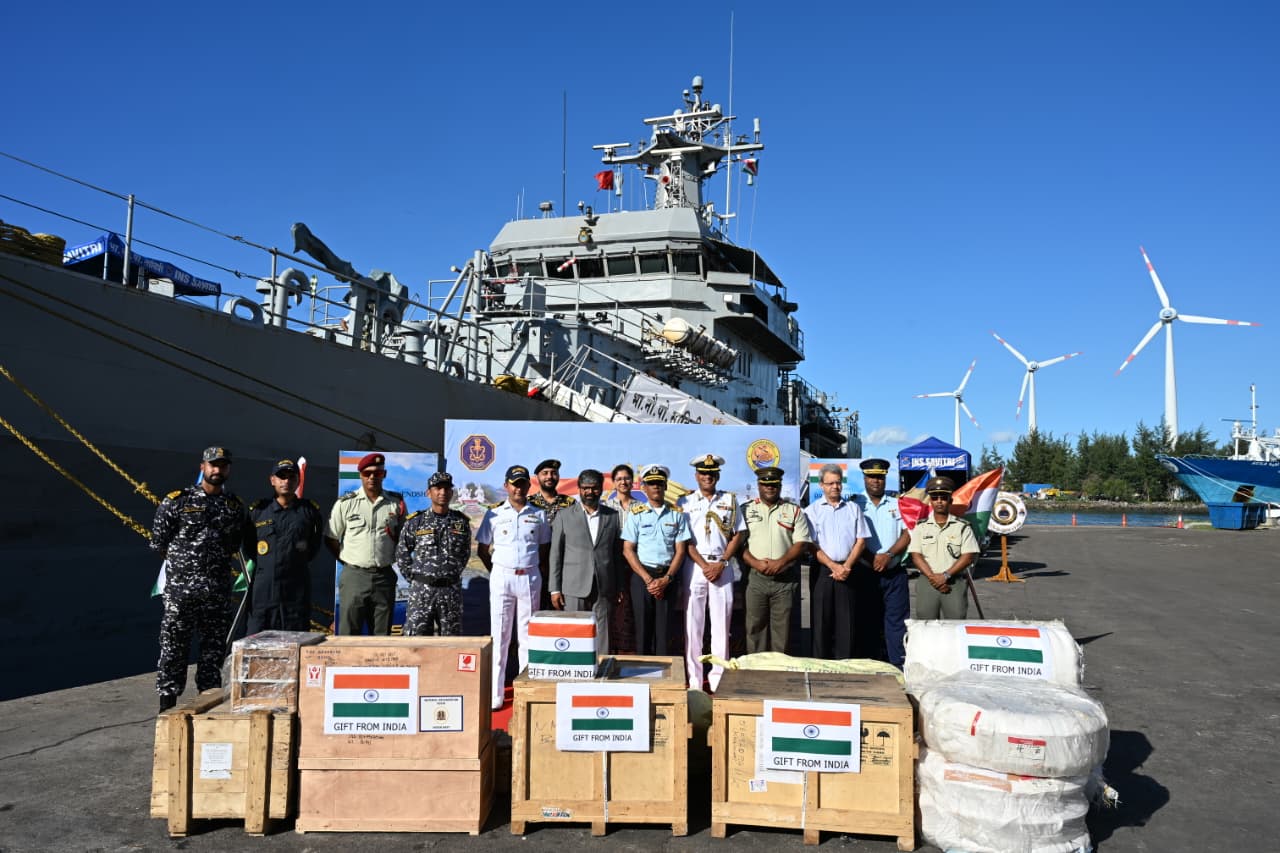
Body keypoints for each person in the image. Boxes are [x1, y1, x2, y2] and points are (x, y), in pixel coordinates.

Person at [151, 446, 249, 712]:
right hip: (181, 594)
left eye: (223, 466)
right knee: (173, 651)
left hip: (216, 592)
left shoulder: (233, 507)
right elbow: (160, 542)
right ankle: (167, 708)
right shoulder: (177, 501)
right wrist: (186, 569)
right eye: (212, 465)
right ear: (202, 467)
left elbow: (233, 543)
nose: (217, 470)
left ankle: (209, 706)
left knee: (213, 653)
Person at [476, 464, 551, 710]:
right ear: (506, 486)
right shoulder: (494, 514)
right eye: (514, 484)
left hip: (529, 577)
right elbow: (482, 549)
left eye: (522, 484)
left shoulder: (538, 514)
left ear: (529, 486)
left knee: (528, 637)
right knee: (500, 636)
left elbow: (543, 548)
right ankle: (495, 694)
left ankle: (524, 690)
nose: (518, 488)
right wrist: (499, 570)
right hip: (502, 577)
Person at [677, 454, 745, 691]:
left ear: (717, 475)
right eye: (703, 473)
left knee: (721, 625)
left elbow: (738, 534)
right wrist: (705, 565)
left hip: (722, 566)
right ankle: (694, 680)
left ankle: (718, 679)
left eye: (711, 473)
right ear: (696, 476)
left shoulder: (730, 500)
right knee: (693, 625)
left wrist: (722, 562)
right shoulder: (684, 502)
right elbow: (683, 538)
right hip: (695, 566)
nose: (707, 477)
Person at [325, 452, 406, 635]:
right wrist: (347, 560)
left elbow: (402, 538)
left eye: (377, 473)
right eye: (367, 473)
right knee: (349, 635)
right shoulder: (345, 503)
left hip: (384, 576)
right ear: (360, 475)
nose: (372, 478)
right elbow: (330, 538)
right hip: (354, 576)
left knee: (382, 637)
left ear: (383, 475)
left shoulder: (395, 503)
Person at [243, 458, 324, 634]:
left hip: (295, 589)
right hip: (265, 588)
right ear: (272, 480)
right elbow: (249, 545)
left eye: (291, 477)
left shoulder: (309, 512)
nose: (286, 481)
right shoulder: (258, 511)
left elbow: (313, 546)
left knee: (295, 639)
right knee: (257, 638)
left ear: (298, 480)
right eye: (281, 477)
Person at [549, 468, 624, 657]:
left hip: (605, 585)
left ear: (601, 489)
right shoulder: (564, 516)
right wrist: (555, 589)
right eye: (585, 488)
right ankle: (574, 674)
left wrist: (619, 586)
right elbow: (556, 554)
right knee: (573, 633)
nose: (590, 492)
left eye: (594, 488)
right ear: (579, 489)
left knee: (603, 634)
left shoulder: (612, 516)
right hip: (573, 586)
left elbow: (617, 555)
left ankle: (603, 673)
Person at [620, 465, 690, 656]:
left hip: (667, 578)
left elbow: (681, 551)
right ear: (644, 487)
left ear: (666, 485)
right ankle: (643, 677)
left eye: (659, 483)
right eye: (651, 484)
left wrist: (666, 579)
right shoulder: (636, 514)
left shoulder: (677, 515)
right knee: (642, 630)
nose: (656, 487)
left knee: (664, 632)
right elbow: (628, 550)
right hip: (643, 578)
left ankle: (663, 680)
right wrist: (649, 580)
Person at [740, 466, 811, 654]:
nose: (769, 488)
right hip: (756, 578)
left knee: (783, 631)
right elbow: (739, 545)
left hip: (785, 580)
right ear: (758, 485)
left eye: (774, 485)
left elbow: (801, 542)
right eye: (766, 485)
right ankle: (755, 672)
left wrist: (780, 562)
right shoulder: (745, 510)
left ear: (779, 486)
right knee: (755, 628)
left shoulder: (793, 511)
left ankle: (779, 676)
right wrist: (755, 563)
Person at [804, 463, 870, 660]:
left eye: (838, 483)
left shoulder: (853, 509)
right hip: (823, 571)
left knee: (846, 623)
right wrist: (833, 566)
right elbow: (811, 544)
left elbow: (861, 540)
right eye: (830, 483)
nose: (835, 487)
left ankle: (845, 666)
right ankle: (820, 667)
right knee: (820, 622)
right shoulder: (811, 511)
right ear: (821, 485)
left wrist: (846, 566)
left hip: (848, 570)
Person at [852, 458, 913, 667]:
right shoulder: (854, 504)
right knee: (867, 620)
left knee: (896, 623)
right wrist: (871, 558)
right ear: (865, 478)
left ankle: (897, 665)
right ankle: (869, 665)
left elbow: (907, 534)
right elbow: (851, 536)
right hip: (865, 572)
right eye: (871, 477)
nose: (876, 481)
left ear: (885, 479)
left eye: (880, 477)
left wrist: (888, 555)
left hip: (893, 572)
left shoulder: (898, 504)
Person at [396, 471, 472, 636]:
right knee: (416, 642)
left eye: (447, 488)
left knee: (451, 642)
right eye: (438, 488)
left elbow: (464, 554)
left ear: (452, 492)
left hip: (450, 591)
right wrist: (416, 578)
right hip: (422, 592)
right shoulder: (416, 521)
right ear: (428, 492)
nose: (442, 492)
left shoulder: (461, 522)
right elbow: (402, 553)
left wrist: (450, 574)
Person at [909, 476, 980, 619]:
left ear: (950, 500)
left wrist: (945, 576)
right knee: (926, 626)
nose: (939, 501)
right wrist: (934, 578)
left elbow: (967, 557)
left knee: (955, 625)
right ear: (930, 501)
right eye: (935, 497)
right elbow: (916, 556)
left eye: (943, 497)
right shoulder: (921, 527)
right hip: (927, 582)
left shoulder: (962, 527)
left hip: (954, 583)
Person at [602, 464, 637, 653]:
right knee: (613, 610)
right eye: (619, 479)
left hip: (635, 564)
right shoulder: (606, 507)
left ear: (633, 481)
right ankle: (611, 653)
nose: (623, 482)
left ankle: (630, 653)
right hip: (612, 564)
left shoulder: (641, 507)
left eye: (627, 478)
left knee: (631, 610)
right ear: (613, 483)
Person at [529, 458, 576, 523]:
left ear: (558, 476)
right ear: (537, 477)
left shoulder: (570, 502)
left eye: (554, 473)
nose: (549, 477)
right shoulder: (529, 503)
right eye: (545, 473)